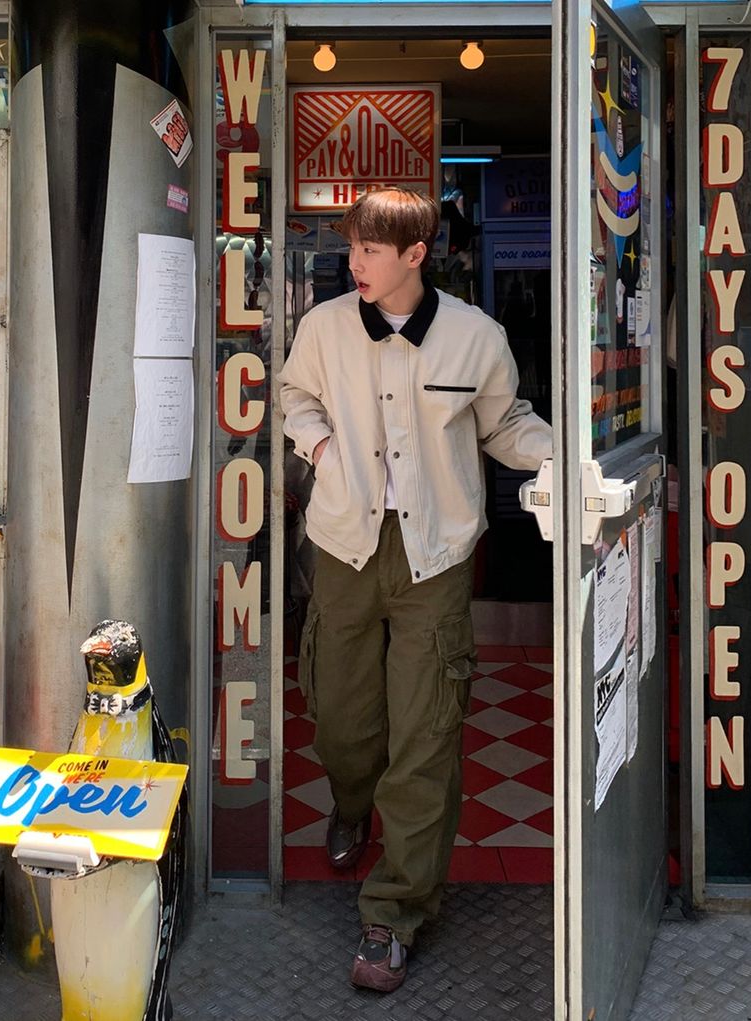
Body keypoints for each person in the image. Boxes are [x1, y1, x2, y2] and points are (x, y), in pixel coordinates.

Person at [277, 187, 553, 993]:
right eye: (353, 247)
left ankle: (394, 910)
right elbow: (296, 398)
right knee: (339, 714)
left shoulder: (475, 336)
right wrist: (322, 449)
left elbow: (505, 424)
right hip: (344, 544)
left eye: (370, 249)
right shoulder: (324, 327)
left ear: (415, 255)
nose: (355, 262)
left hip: (435, 554)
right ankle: (351, 798)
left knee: (427, 730)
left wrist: (572, 453)